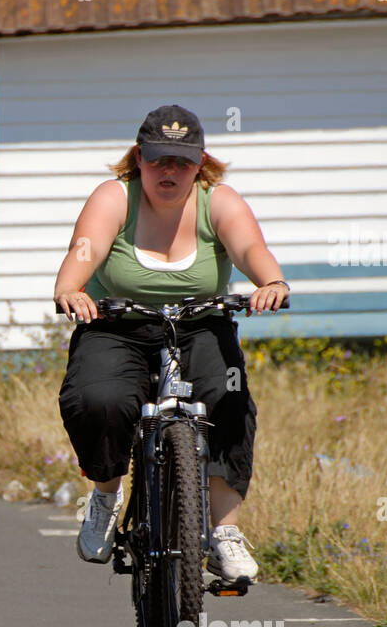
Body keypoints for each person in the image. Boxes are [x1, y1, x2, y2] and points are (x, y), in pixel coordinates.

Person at [54, 105, 288, 587]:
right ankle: (105, 495)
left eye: (181, 162)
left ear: (200, 162)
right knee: (98, 400)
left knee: (230, 399)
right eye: (159, 160)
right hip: (115, 323)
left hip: (201, 325)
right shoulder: (115, 197)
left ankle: (224, 535)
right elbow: (87, 247)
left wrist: (271, 280)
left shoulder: (217, 201)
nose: (169, 171)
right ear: (139, 158)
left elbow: (249, 248)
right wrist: (71, 288)